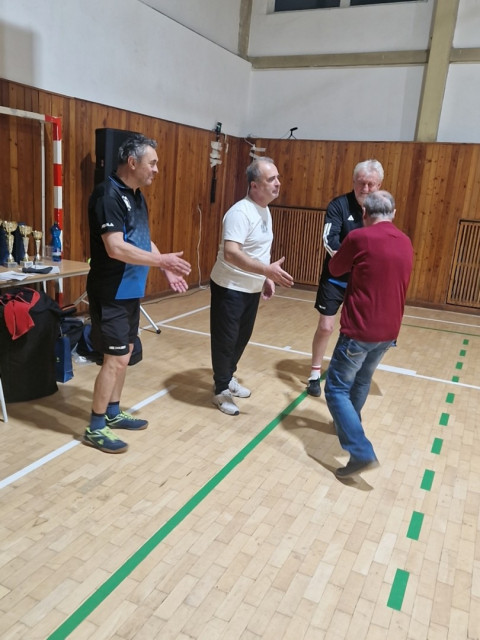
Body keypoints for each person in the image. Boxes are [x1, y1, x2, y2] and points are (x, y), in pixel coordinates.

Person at [83, 134, 191, 453]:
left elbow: (142, 240)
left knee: (126, 354)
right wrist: (162, 261)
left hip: (130, 291)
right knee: (115, 359)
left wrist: (166, 268)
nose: (156, 169)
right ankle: (95, 427)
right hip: (111, 291)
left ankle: (113, 412)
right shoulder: (108, 195)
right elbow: (115, 247)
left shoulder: (136, 195)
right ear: (132, 163)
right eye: (152, 163)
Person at [323, 190, 413, 478]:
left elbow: (335, 267)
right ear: (393, 214)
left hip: (360, 330)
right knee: (361, 380)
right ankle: (351, 426)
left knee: (335, 389)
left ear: (364, 214)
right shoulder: (405, 241)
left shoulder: (359, 238)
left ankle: (360, 450)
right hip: (389, 332)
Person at [210, 157, 294, 415]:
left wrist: (265, 277)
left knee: (241, 338)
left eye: (277, 178)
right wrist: (267, 271)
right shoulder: (240, 212)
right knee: (226, 340)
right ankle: (220, 390)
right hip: (230, 287)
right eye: (271, 179)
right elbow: (231, 253)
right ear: (254, 186)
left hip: (251, 287)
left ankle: (227, 378)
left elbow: (258, 251)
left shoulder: (264, 209)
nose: (277, 183)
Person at [307, 159, 384, 397]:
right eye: (361, 183)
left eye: (371, 184)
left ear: (379, 185)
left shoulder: (381, 209)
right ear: (353, 182)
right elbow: (329, 240)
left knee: (356, 331)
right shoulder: (338, 205)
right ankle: (314, 373)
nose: (365, 188)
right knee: (326, 326)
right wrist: (354, 262)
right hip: (335, 277)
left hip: (362, 283)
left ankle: (350, 375)